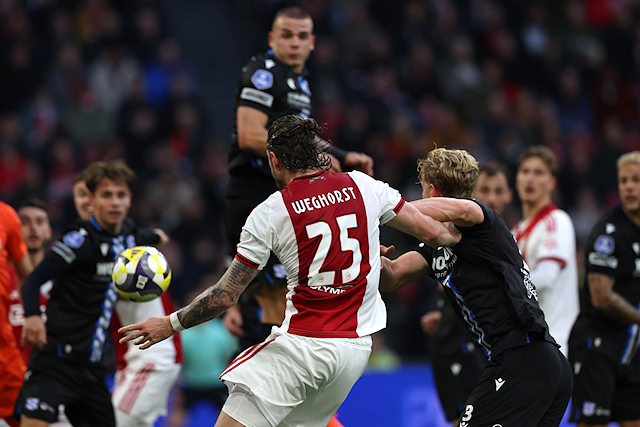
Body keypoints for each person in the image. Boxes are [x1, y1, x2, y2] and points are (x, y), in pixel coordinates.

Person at [118, 115, 461, 427]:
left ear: (274, 160)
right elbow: (435, 233)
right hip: (354, 352)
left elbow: (224, 295)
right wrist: (478, 228)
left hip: (303, 347)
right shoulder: (364, 186)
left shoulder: (270, 212)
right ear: (318, 155)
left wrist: (169, 324)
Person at [380, 148, 573, 426]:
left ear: (431, 190)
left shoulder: (482, 220)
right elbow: (393, 276)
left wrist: (380, 208)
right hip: (534, 363)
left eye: (422, 189)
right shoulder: (437, 247)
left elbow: (461, 209)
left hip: (522, 358)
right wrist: (368, 253)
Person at [224, 6, 374, 357]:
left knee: (281, 303)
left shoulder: (299, 80)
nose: (294, 42)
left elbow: (298, 139)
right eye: (286, 35)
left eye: (302, 36)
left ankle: (264, 374)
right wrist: (316, 160)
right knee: (269, 303)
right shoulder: (264, 72)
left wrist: (342, 153)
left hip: (281, 200)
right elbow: (249, 135)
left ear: (312, 42)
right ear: (271, 38)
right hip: (254, 198)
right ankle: (249, 378)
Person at [15, 159, 170, 427]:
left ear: (129, 199)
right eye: (106, 195)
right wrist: (32, 316)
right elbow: (33, 280)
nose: (115, 203)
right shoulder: (78, 240)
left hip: (92, 369)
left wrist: (158, 237)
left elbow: (145, 235)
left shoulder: (129, 236)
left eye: (121, 195)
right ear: (92, 200)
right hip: (55, 363)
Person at [69, 166, 181, 427]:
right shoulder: (90, 244)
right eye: (81, 195)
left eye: (96, 194)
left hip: (151, 358)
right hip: (130, 360)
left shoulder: (121, 245)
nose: (88, 202)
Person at [419, 160, 512, 426]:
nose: (491, 198)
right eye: (486, 190)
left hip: (489, 348)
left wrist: (383, 208)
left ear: (509, 195)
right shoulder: (446, 237)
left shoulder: (495, 234)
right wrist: (445, 312)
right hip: (453, 343)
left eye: (498, 191)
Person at [568, 151, 640, 427]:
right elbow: (602, 297)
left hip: (631, 348)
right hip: (596, 347)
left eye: (636, 180)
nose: (629, 187)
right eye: (624, 180)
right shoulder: (607, 233)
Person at [511, 146, 579, 356]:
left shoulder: (557, 221)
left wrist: (501, 287)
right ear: (517, 179)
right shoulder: (514, 232)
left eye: (539, 173)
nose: (530, 179)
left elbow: (546, 278)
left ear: (552, 183)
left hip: (555, 341)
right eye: (525, 171)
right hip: (527, 344)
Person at [0, 201, 33, 427]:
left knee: (27, 417)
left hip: (4, 350)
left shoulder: (5, 215)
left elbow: (26, 275)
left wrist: (31, 315)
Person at [9, 199, 53, 365]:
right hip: (7, 373)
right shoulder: (3, 277)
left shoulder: (63, 279)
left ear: (49, 231)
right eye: (25, 222)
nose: (33, 228)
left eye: (39, 222)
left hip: (50, 373)